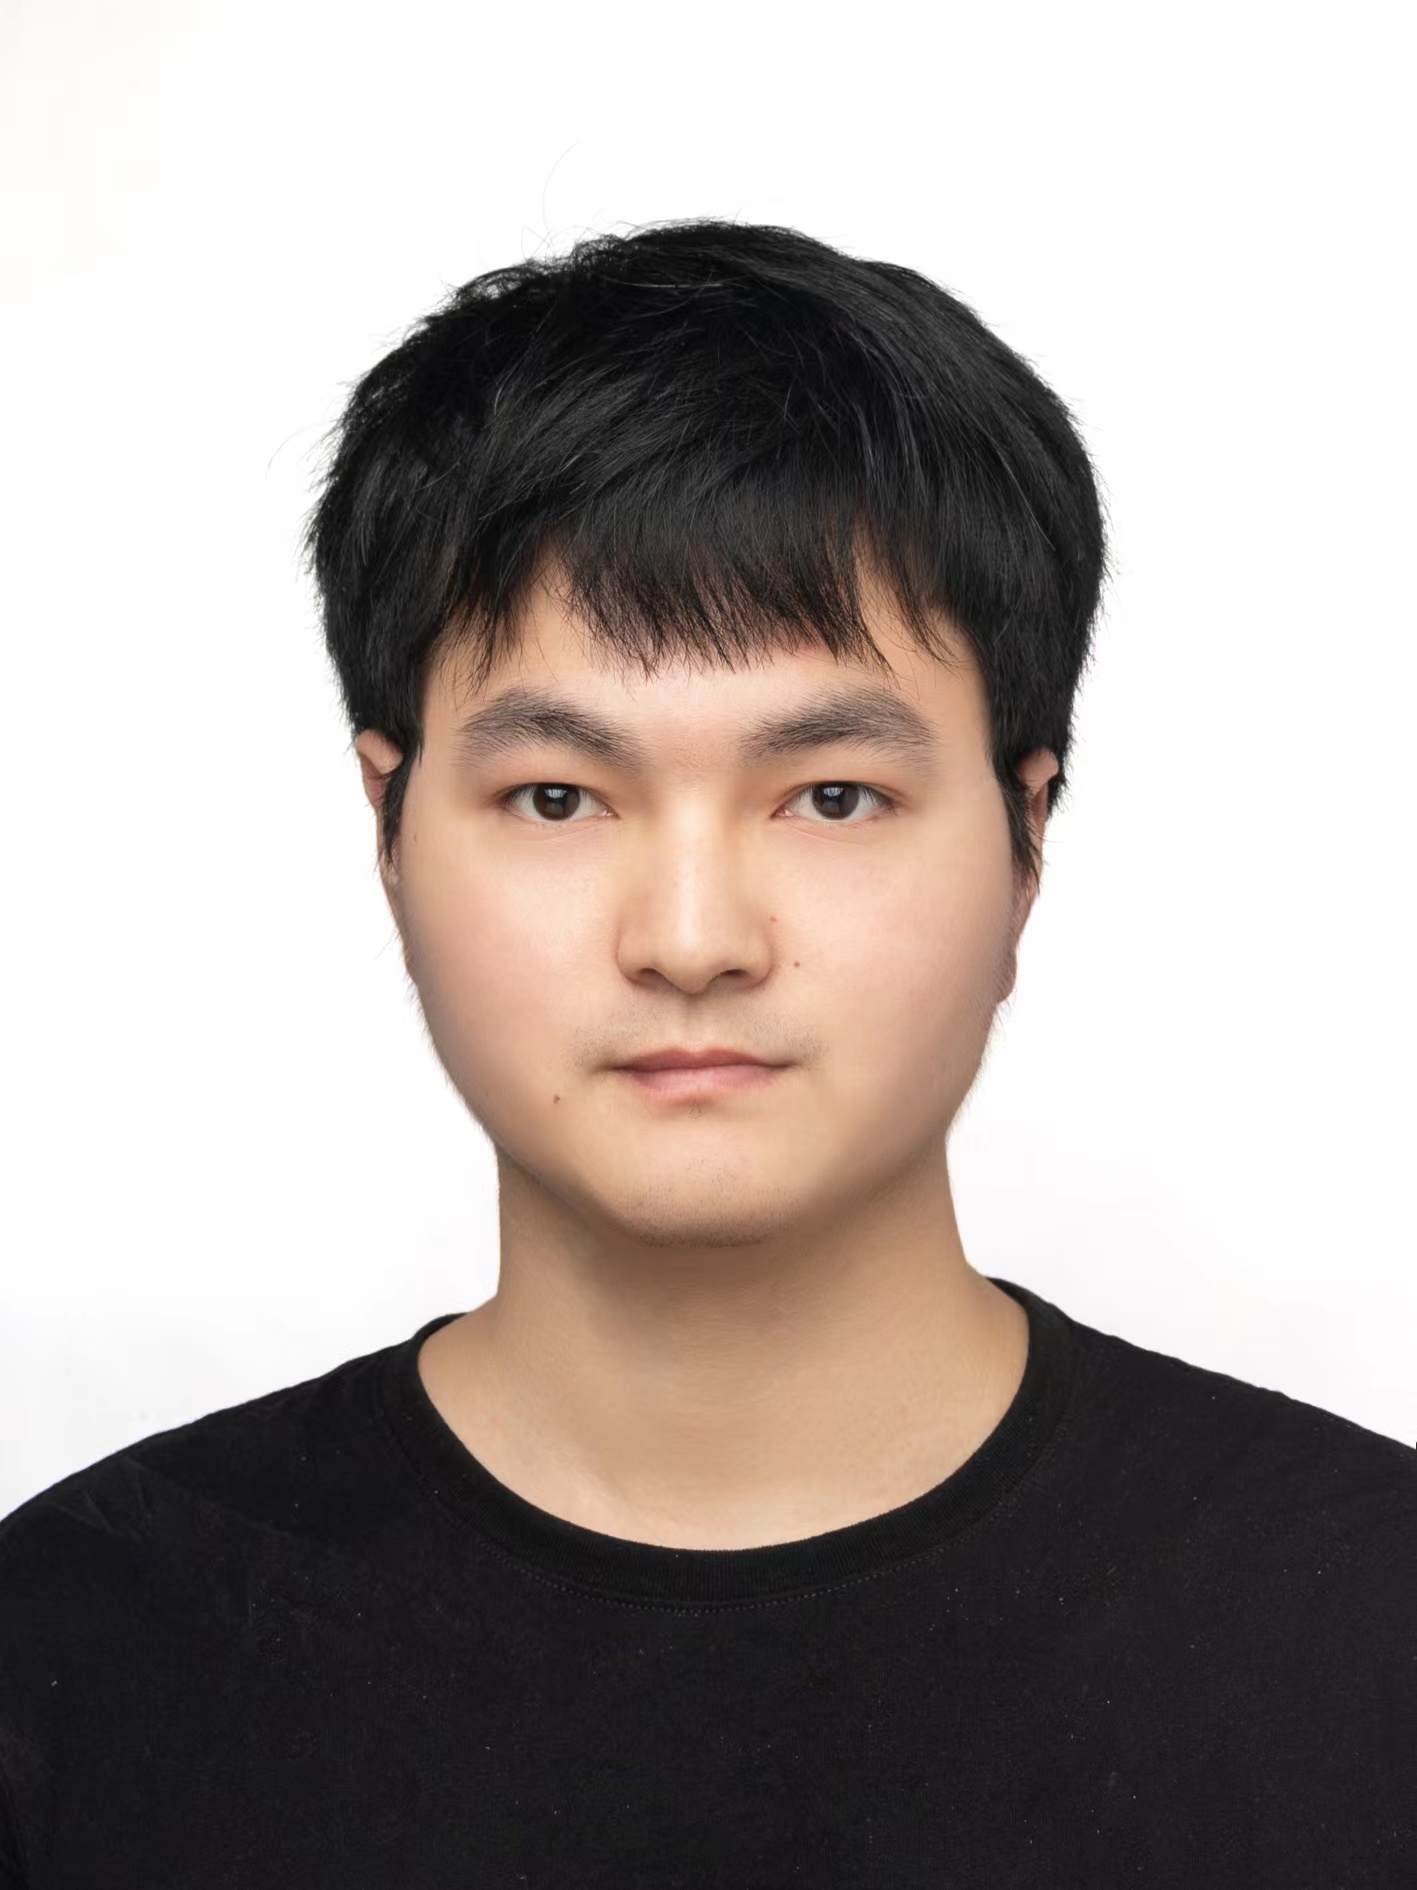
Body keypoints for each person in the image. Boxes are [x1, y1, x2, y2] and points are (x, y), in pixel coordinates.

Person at [1, 217, 1412, 1887]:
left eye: (831, 796)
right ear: (387, 825)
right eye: (556, 796)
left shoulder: (1364, 1633)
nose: (689, 936)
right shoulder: (80, 1647)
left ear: (1025, 835)